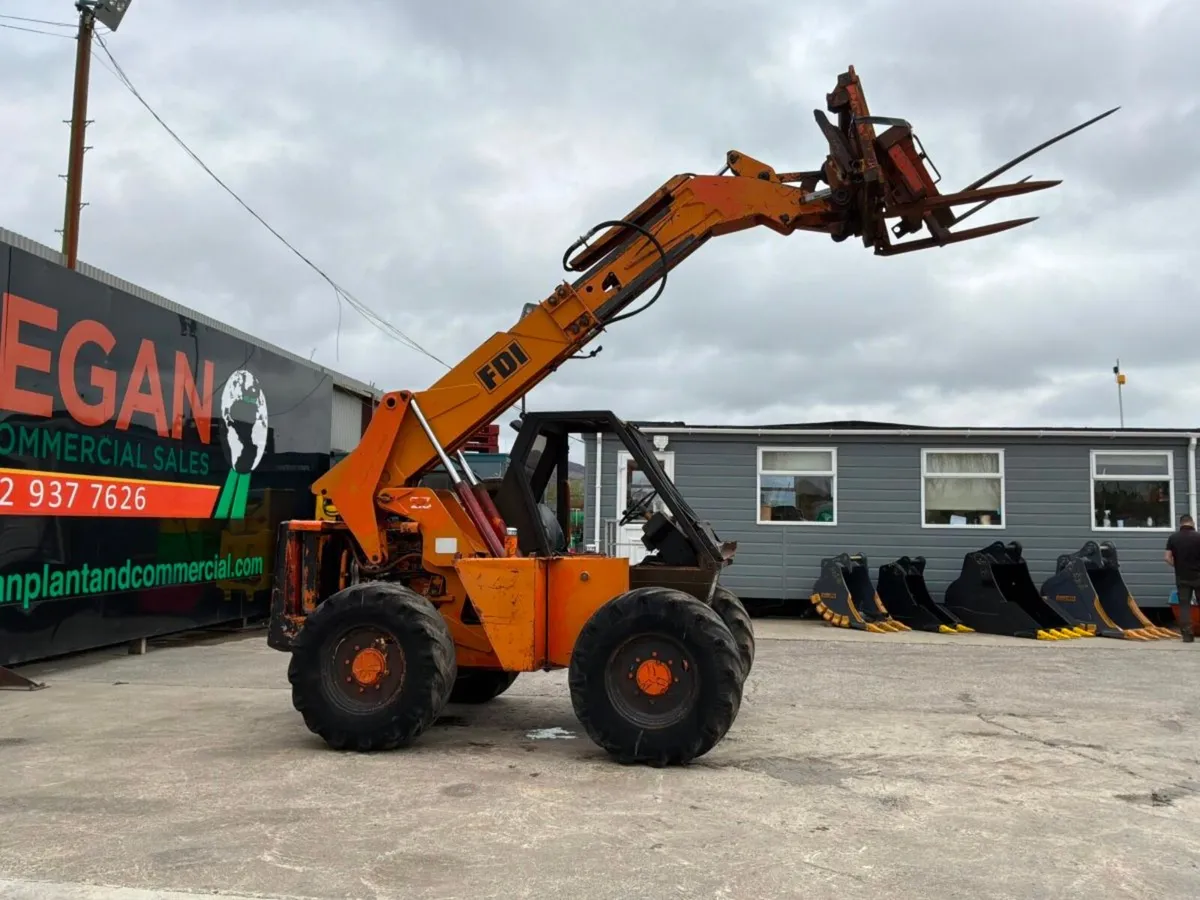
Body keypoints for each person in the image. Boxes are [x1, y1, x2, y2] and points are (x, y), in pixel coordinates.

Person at [1165, 514, 1200, 642]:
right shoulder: (1198, 537)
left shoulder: (1173, 538)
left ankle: (1187, 634)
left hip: (1182, 576)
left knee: (1184, 605)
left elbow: (1167, 558)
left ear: (1181, 524)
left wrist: (1178, 566)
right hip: (1198, 576)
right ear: (1192, 523)